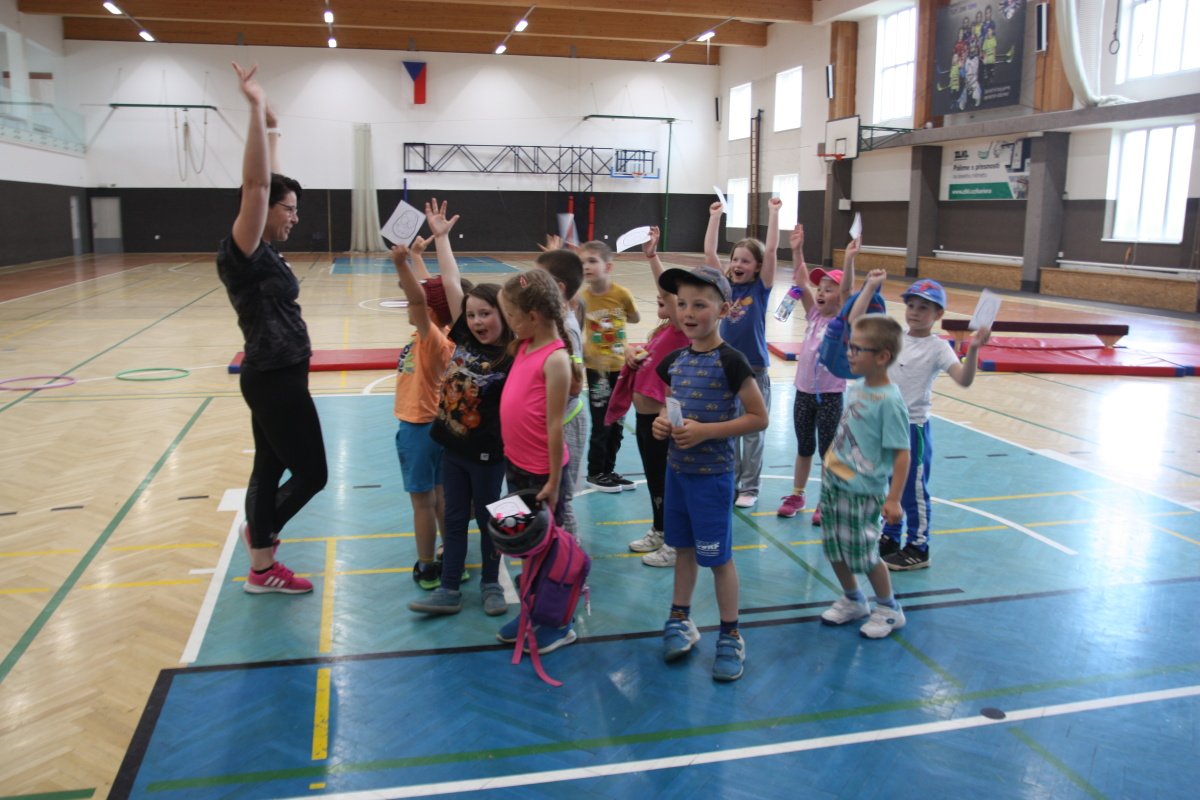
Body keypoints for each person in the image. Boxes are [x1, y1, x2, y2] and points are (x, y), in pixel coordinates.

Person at [219, 63, 326, 594]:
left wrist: (275, 128)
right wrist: (256, 107)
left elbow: (274, 184)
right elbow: (260, 185)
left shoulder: (262, 249)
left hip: (277, 374)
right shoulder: (242, 252)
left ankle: (261, 570)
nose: (295, 218)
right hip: (275, 378)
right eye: (291, 210)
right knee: (312, 474)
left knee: (268, 467)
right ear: (263, 210)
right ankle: (260, 537)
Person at [652, 266, 769, 682]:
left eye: (699, 305)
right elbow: (672, 406)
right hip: (677, 475)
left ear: (723, 309)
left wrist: (706, 432)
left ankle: (731, 634)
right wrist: (662, 422)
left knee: (718, 559)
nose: (688, 313)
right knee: (683, 550)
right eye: (682, 304)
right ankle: (680, 618)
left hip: (712, 479)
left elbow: (759, 418)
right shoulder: (675, 361)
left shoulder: (732, 361)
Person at [408, 203, 514, 617]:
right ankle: (448, 588)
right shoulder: (464, 339)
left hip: (489, 455)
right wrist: (441, 238)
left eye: (486, 313)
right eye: (471, 315)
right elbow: (452, 281)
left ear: (505, 316)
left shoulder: (511, 354)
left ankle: (491, 583)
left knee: (490, 520)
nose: (477, 320)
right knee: (453, 520)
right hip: (452, 449)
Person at [857, 274, 990, 571]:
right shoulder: (896, 337)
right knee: (891, 485)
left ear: (938, 314)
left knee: (913, 490)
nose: (915, 312)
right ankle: (891, 535)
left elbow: (964, 379)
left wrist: (973, 350)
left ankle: (919, 546)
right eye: (911, 305)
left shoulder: (938, 347)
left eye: (924, 308)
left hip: (912, 429)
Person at [495, 268, 580, 653]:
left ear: (532, 316)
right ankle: (531, 610)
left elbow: (554, 425)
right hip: (515, 465)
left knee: (548, 553)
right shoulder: (524, 346)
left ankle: (558, 623)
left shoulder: (555, 359)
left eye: (511, 316)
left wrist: (553, 483)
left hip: (543, 474)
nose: (508, 323)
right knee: (524, 546)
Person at [601, 227, 691, 567]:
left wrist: (652, 257)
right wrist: (631, 353)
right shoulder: (664, 330)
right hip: (644, 419)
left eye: (669, 297)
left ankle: (674, 541)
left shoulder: (682, 328)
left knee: (666, 480)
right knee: (655, 479)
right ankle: (660, 529)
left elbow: (669, 292)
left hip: (661, 421)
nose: (660, 298)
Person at [817, 314, 911, 639]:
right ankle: (854, 599)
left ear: (882, 356)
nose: (850, 353)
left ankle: (888, 608)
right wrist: (830, 461)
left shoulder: (890, 402)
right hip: (835, 483)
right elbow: (849, 432)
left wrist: (894, 498)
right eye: (850, 346)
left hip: (862, 491)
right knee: (834, 548)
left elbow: (902, 453)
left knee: (866, 554)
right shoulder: (857, 388)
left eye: (857, 349)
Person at [390, 214, 466, 592]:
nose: (407, 304)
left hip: (419, 428)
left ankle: (427, 566)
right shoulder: (445, 332)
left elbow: (420, 299)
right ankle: (452, 557)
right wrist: (419, 259)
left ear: (430, 313)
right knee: (439, 498)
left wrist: (401, 263)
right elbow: (431, 295)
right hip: (434, 427)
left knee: (423, 502)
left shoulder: (433, 339)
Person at [776, 225, 861, 524]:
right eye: (820, 288)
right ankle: (797, 494)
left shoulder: (843, 321)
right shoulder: (813, 313)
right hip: (803, 393)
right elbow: (801, 280)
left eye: (828, 288)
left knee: (827, 451)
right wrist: (797, 250)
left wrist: (849, 259)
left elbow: (849, 291)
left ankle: (826, 499)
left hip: (830, 395)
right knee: (804, 447)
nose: (821, 292)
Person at [704, 196, 781, 508]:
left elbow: (772, 250)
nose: (738, 265)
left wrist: (773, 213)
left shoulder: (759, 289)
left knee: (753, 432)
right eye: (735, 259)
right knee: (730, 431)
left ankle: (750, 487)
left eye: (746, 261)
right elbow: (710, 253)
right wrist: (715, 217)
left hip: (755, 370)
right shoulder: (724, 287)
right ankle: (732, 482)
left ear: (758, 267)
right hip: (726, 371)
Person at [532, 246, 587, 537]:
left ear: (558, 287)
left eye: (537, 279)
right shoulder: (553, 319)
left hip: (566, 422)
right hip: (552, 422)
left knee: (561, 500)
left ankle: (570, 559)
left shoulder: (566, 326)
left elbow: (575, 384)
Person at [578, 240, 641, 493]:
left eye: (592, 261)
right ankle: (595, 472)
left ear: (608, 266)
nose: (586, 266)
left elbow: (634, 317)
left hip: (622, 369)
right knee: (602, 422)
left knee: (617, 423)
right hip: (598, 372)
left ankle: (609, 470)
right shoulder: (582, 299)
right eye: (583, 262)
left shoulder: (621, 294)